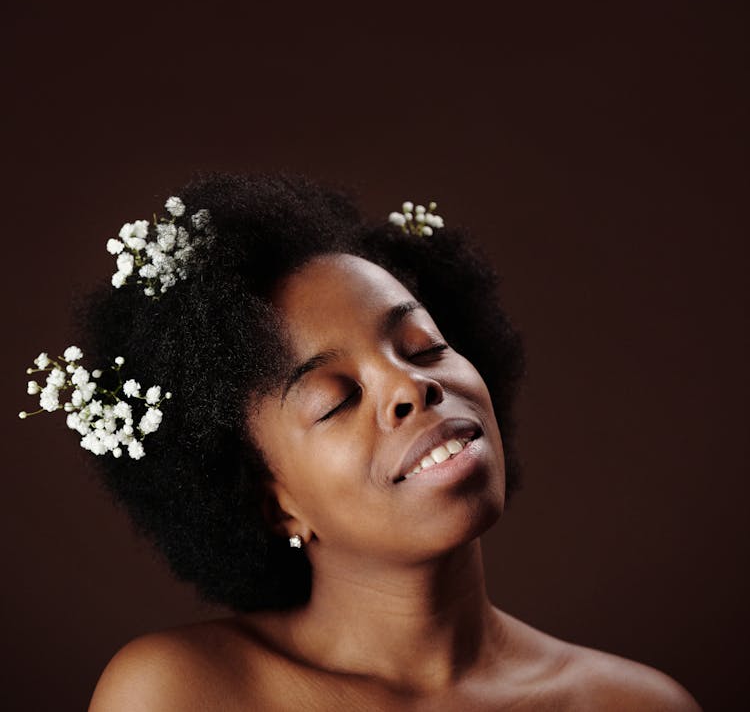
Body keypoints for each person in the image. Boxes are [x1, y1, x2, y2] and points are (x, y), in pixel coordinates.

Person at [53, 172, 698, 710]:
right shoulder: (182, 692)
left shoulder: (638, 703)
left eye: (425, 346)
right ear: (277, 505)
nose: (411, 387)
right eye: (337, 400)